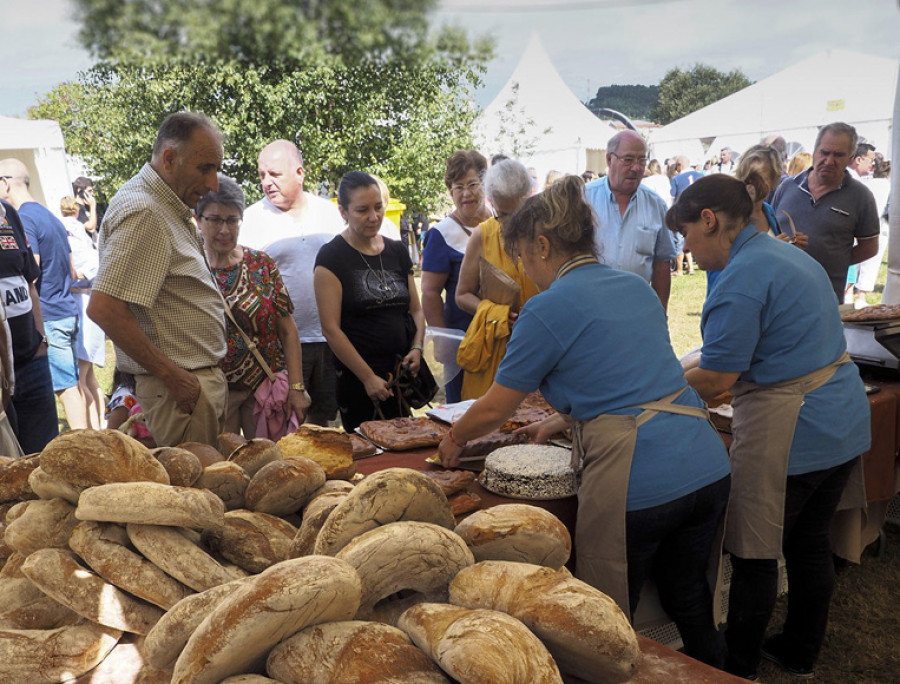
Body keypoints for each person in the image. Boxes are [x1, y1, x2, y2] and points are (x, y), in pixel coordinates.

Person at [439, 177, 731, 668]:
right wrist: (557, 422)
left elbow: (494, 408)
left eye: (525, 259)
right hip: (705, 464)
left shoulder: (546, 307)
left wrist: (453, 439)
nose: (528, 271)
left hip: (642, 479)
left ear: (543, 245)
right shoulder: (634, 285)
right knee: (689, 597)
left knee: (606, 621)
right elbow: (626, 375)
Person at [670, 174, 870, 680]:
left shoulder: (742, 277)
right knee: (808, 544)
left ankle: (738, 667)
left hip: (797, 429)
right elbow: (718, 360)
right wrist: (666, 379)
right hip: (842, 419)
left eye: (688, 235)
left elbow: (717, 377)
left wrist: (655, 399)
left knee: (755, 553)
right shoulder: (786, 254)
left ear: (710, 220)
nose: (687, 248)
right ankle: (799, 651)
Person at [88, 111, 228, 448]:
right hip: (180, 391)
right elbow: (104, 309)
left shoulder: (163, 204)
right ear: (169, 159)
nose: (213, 185)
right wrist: (174, 378)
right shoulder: (145, 211)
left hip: (185, 388)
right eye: (204, 168)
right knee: (193, 497)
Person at [239, 140, 345, 426]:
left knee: (325, 421)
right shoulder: (250, 221)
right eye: (262, 175)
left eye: (275, 174)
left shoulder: (330, 214)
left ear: (299, 172)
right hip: (281, 345)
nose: (267, 182)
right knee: (286, 421)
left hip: (332, 340)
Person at [197, 174, 309, 440]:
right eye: (215, 219)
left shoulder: (262, 264)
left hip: (266, 391)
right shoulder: (190, 270)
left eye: (232, 220)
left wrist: (296, 387)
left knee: (271, 467)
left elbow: (288, 331)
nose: (224, 229)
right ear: (198, 220)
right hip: (214, 395)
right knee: (222, 469)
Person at [314, 172, 425, 432]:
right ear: (343, 211)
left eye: (378, 207)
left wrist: (418, 347)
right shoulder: (332, 257)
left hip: (400, 375)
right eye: (363, 210)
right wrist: (367, 378)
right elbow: (330, 328)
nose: (374, 217)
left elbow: (416, 310)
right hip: (358, 380)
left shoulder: (397, 251)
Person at [0, 158, 87, 431]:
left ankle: (87, 441)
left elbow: (30, 277)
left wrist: (41, 344)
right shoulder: (44, 215)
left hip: (32, 354)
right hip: (12, 363)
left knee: (42, 456)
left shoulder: (10, 213)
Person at [455, 159, 538, 400]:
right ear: (491, 202)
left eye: (516, 213)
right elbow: (462, 295)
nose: (510, 223)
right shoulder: (483, 234)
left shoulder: (545, 233)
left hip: (537, 346)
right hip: (494, 347)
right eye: (502, 214)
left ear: (529, 196)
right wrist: (500, 314)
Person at [771, 122, 879, 302]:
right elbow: (770, 229)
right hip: (778, 293)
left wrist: (833, 262)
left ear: (850, 158)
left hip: (824, 298)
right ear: (814, 152)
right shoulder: (787, 187)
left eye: (838, 155)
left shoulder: (861, 196)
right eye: (824, 152)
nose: (829, 161)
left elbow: (870, 246)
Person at [420, 150, 491, 402]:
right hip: (464, 340)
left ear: (486, 184)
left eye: (472, 184)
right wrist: (444, 340)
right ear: (450, 192)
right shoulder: (441, 234)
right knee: (464, 410)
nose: (466, 194)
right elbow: (429, 292)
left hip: (503, 336)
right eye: (457, 187)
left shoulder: (501, 221)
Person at [584, 130, 676, 310]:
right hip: (590, 309)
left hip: (636, 310)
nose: (636, 167)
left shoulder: (655, 205)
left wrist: (659, 313)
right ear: (609, 160)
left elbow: (662, 264)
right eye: (628, 160)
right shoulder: (584, 199)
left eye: (642, 160)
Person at [705, 145, 809, 295]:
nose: (753, 186)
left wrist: (791, 250)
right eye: (749, 178)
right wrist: (772, 252)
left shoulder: (768, 212)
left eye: (762, 178)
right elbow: (719, 272)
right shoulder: (728, 215)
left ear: (774, 180)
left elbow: (775, 265)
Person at [0, 198, 57, 453]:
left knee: (46, 462)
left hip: (32, 362)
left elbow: (29, 283)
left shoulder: (6, 211)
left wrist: (42, 342)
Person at [60, 196, 106, 429]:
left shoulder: (68, 233)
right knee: (89, 377)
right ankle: (100, 427)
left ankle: (92, 431)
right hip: (90, 303)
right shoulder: (82, 232)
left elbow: (83, 272)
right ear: (76, 211)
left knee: (80, 380)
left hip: (82, 305)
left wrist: (74, 276)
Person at [72, 176, 98, 245]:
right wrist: (93, 206)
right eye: (89, 191)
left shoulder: (87, 205)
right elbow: (91, 228)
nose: (92, 194)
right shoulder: (76, 208)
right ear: (79, 190)